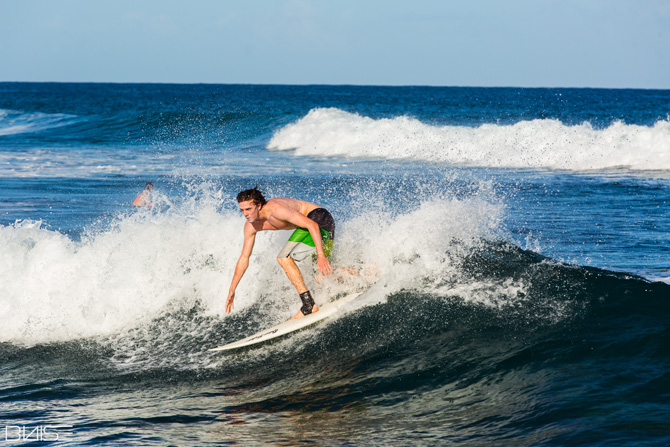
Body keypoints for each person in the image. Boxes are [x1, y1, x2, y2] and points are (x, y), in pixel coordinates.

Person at [226, 187, 335, 319]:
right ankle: (357, 274)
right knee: (321, 277)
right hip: (316, 225)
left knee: (283, 258)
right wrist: (232, 289)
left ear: (258, 206)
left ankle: (308, 305)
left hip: (319, 219)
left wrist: (321, 256)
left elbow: (312, 225)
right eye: (242, 210)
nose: (245, 214)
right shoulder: (250, 226)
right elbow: (244, 258)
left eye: (248, 209)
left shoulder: (276, 209)